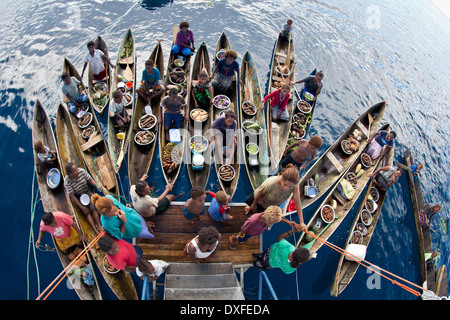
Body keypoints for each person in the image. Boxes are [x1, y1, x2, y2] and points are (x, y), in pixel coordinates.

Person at [245, 164, 307, 231]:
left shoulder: (294, 185)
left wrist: (301, 222)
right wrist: (254, 205)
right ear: (282, 178)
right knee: (250, 212)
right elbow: (259, 193)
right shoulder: (271, 182)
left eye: (290, 187)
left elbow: (297, 202)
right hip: (260, 201)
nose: (286, 188)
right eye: (285, 184)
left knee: (263, 219)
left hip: (271, 206)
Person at [228, 206, 297, 250]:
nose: (271, 225)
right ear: (267, 220)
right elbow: (243, 227)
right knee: (240, 239)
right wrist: (242, 234)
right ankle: (233, 239)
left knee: (243, 239)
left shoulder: (267, 215)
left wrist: (288, 222)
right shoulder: (253, 221)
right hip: (247, 233)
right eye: (271, 223)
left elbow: (277, 219)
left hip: (254, 232)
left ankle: (236, 238)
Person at [64, 162, 102, 235]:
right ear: (70, 174)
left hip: (87, 191)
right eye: (75, 170)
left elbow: (90, 180)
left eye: (76, 169)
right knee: (87, 213)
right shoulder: (67, 181)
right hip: (78, 196)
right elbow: (72, 196)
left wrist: (96, 185)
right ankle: (95, 230)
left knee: (93, 208)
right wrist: (82, 207)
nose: (77, 170)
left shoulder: (82, 171)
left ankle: (99, 225)